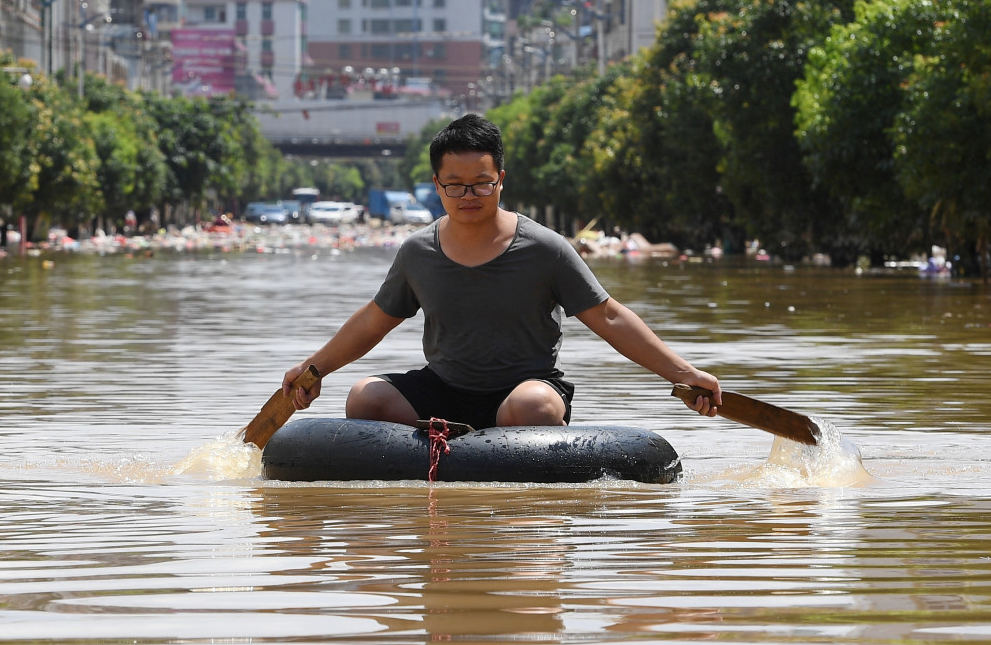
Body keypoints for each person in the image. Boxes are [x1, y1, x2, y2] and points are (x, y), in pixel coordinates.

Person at [281, 113, 722, 428]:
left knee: (535, 409)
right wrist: (314, 369)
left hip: (525, 389)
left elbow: (609, 316)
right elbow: (374, 321)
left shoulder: (545, 248)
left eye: (482, 183)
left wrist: (684, 373)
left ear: (501, 180)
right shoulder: (418, 251)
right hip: (443, 389)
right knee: (365, 398)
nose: (468, 194)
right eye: (454, 184)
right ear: (437, 185)